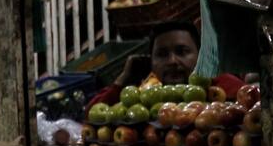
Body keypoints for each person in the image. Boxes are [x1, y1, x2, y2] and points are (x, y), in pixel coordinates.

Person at [86, 21, 245, 109]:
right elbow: (91, 116)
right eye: (162, 55)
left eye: (182, 51)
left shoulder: (223, 86)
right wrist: (122, 80)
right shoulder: (147, 96)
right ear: (151, 63)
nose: (172, 61)